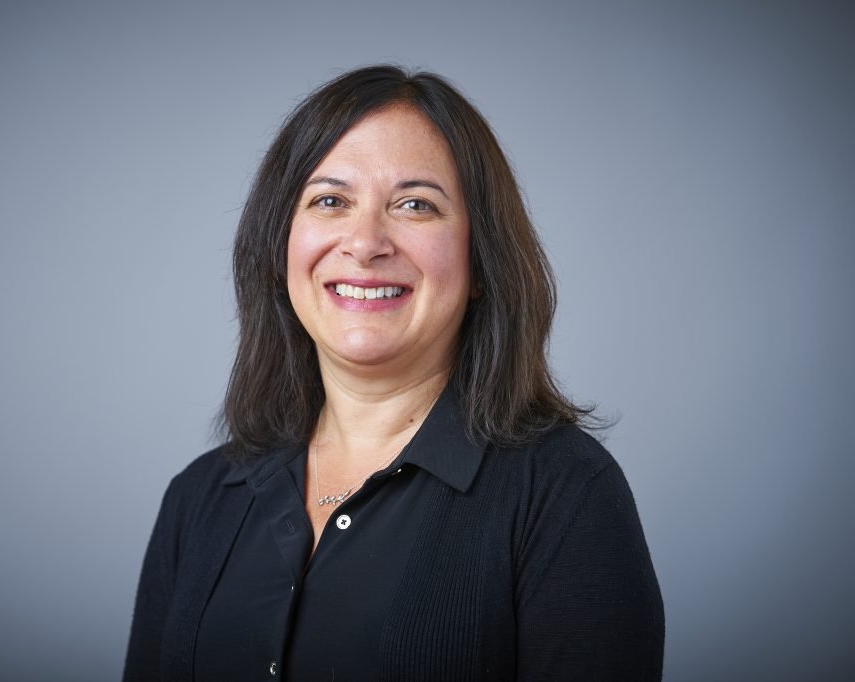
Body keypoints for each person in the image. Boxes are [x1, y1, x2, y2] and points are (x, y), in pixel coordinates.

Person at [123, 65, 664, 681]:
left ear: (481, 259)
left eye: (415, 204)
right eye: (330, 201)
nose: (365, 241)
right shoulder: (199, 499)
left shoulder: (565, 492)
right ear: (280, 248)